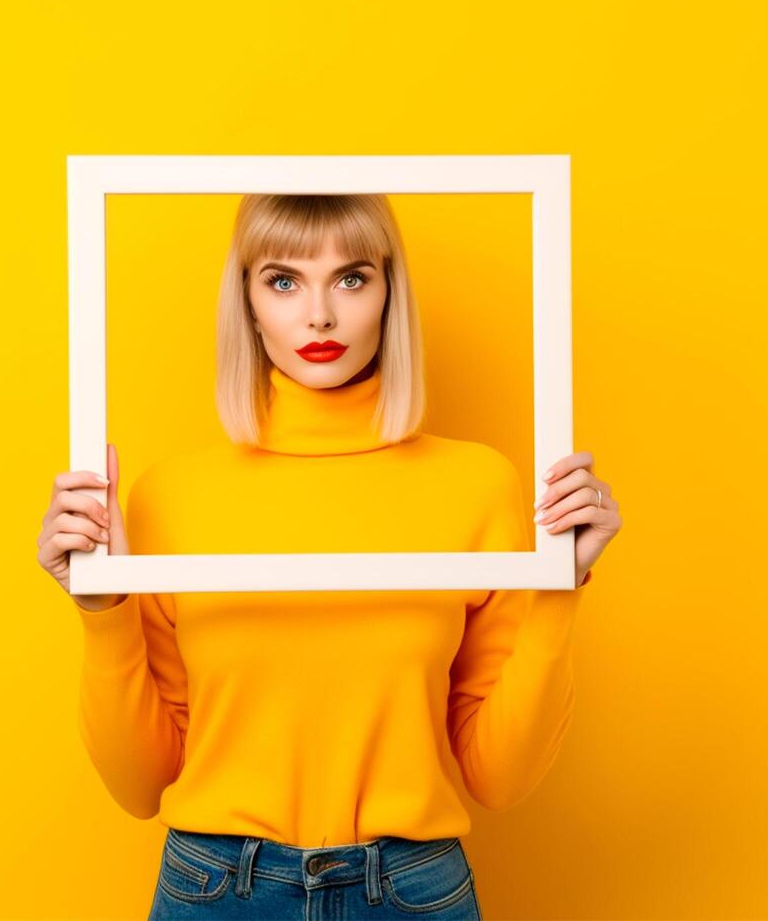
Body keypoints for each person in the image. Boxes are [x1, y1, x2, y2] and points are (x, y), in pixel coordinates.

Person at [37, 195, 623, 919]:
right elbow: (138, 787)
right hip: (216, 888)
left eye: (351, 278)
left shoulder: (479, 487)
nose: (319, 315)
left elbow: (500, 778)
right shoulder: (171, 496)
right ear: (247, 303)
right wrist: (102, 611)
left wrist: (559, 591)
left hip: (411, 892)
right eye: (283, 281)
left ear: (389, 293)